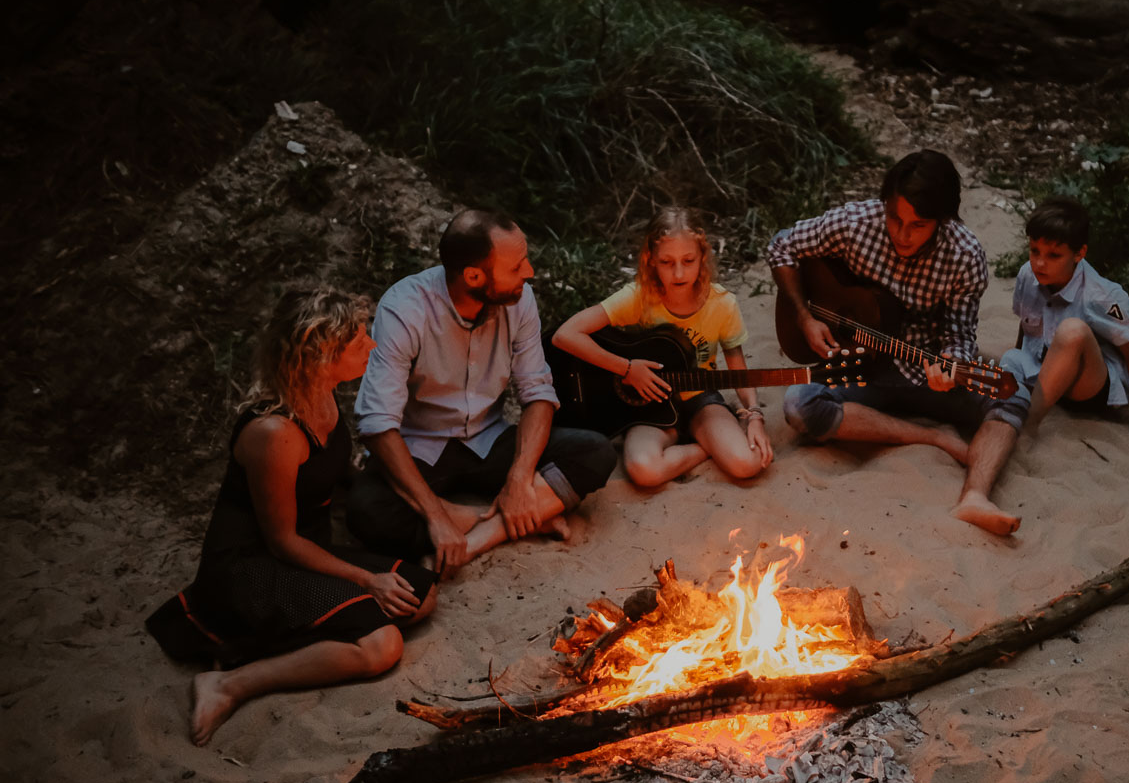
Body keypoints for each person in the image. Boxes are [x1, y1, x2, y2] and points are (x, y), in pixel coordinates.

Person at [146, 287, 440, 746]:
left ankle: (288, 639)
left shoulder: (320, 394)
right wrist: (366, 580)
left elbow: (335, 478)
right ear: (321, 358)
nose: (373, 346)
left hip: (306, 551)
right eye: (359, 341)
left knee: (420, 596)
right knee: (384, 646)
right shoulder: (275, 432)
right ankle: (228, 683)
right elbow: (281, 540)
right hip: (251, 566)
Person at [348, 209, 616, 576]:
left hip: (489, 440)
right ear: (474, 276)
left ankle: (485, 534)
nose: (529, 272)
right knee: (366, 511)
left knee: (594, 451)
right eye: (517, 266)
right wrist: (438, 515)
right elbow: (377, 424)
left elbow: (537, 391)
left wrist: (519, 479)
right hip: (422, 449)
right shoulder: (405, 309)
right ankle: (518, 517)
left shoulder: (520, 300)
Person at [773, 149, 1023, 536]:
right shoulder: (855, 222)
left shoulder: (964, 256)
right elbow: (782, 246)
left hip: (921, 369)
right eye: (895, 218)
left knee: (1012, 393)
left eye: (918, 225)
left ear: (942, 220)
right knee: (799, 404)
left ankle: (975, 496)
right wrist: (805, 317)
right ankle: (932, 435)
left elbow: (958, 333)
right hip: (858, 365)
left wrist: (951, 366)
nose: (902, 235)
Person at [551, 207, 773, 486]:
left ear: (702, 257)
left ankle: (713, 437)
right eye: (667, 262)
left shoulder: (722, 304)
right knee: (644, 471)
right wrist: (627, 369)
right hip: (647, 407)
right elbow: (565, 335)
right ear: (650, 260)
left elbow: (739, 369)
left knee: (747, 464)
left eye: (688, 260)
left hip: (699, 400)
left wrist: (754, 415)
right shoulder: (639, 297)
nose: (678, 272)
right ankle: (706, 447)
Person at [1000, 196, 1129, 435]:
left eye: (1054, 255)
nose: (1040, 263)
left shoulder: (1102, 296)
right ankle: (1007, 413)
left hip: (1088, 390)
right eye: (1034, 250)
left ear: (1079, 254)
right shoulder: (1028, 275)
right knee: (1010, 358)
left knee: (1072, 331)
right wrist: (1019, 362)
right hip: (1045, 374)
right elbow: (1025, 327)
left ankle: (1028, 425)